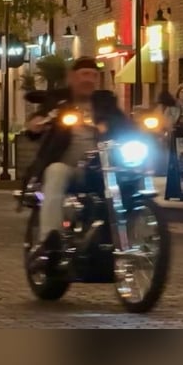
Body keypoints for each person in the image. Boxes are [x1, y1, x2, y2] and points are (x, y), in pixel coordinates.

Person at [24, 56, 134, 255]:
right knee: (55, 171)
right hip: (69, 168)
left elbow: (123, 124)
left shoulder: (105, 101)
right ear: (72, 77)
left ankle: (133, 235)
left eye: (93, 75)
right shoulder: (59, 99)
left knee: (132, 178)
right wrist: (36, 123)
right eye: (84, 74)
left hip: (101, 167)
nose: (89, 79)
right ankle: (50, 239)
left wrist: (135, 130)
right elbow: (41, 116)